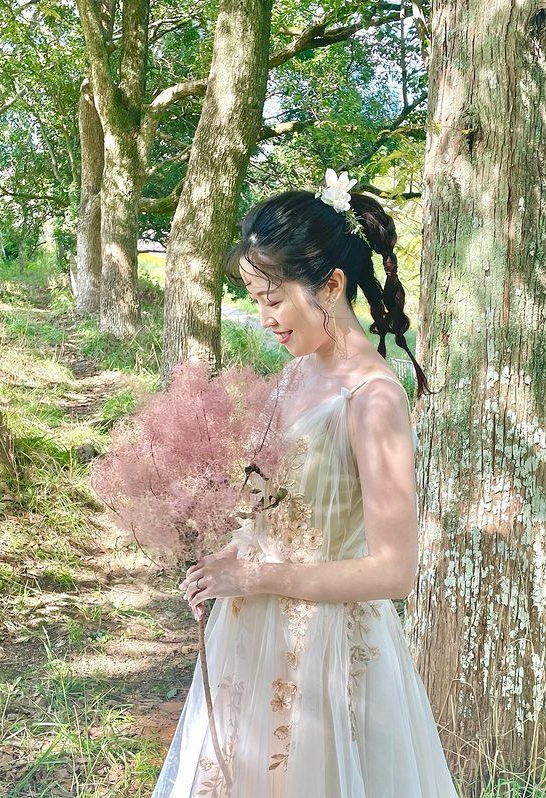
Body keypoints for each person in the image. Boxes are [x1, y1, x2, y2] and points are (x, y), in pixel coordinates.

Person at [151, 170, 459, 797]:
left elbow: (394, 572)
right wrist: (229, 557)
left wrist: (259, 577)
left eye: (273, 299)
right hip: (250, 631)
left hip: (329, 651)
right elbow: (272, 507)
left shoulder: (374, 399)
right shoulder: (294, 375)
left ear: (332, 285)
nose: (262, 319)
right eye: (254, 300)